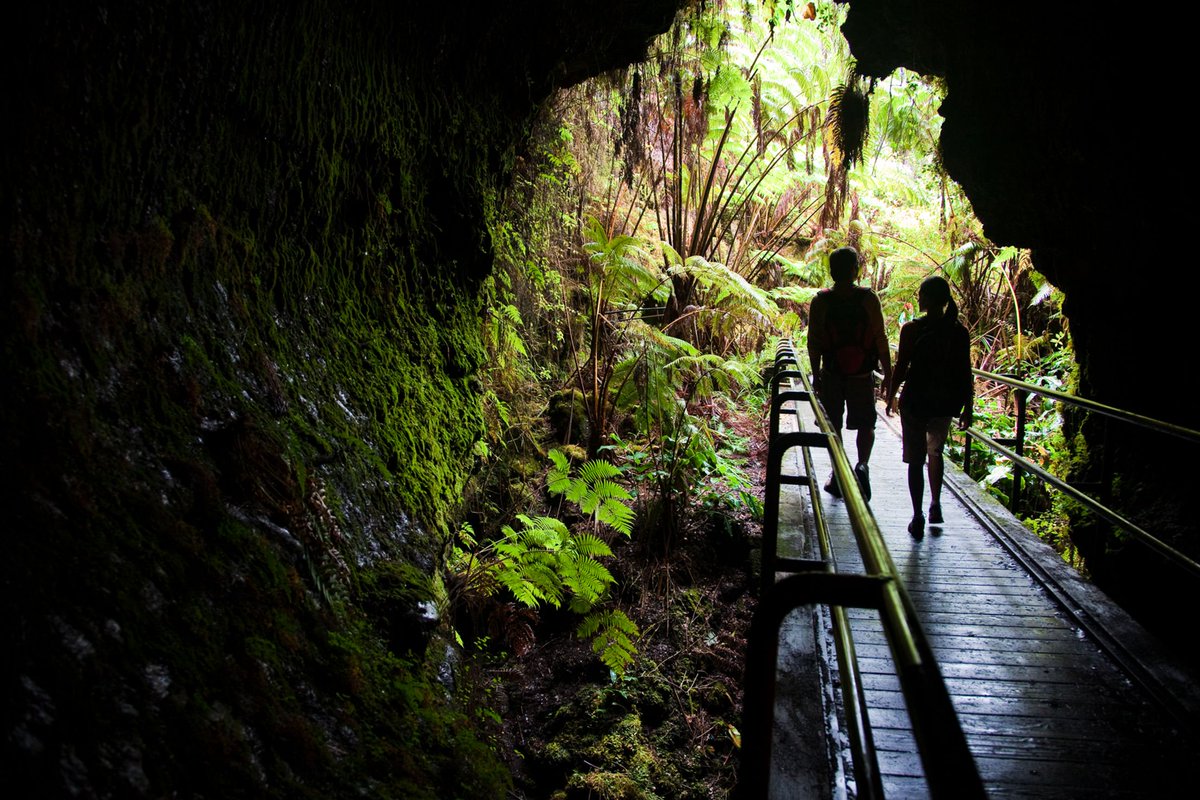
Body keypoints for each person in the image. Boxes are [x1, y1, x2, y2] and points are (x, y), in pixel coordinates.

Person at [884, 275, 974, 537]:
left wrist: (891, 395)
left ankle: (917, 514)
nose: (918, 297)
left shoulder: (911, 329)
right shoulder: (959, 331)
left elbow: (902, 367)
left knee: (915, 459)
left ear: (928, 298)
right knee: (936, 451)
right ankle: (935, 505)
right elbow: (964, 372)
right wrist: (968, 407)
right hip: (945, 402)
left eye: (921, 293)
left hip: (915, 400)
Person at [807, 246, 892, 501]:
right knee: (866, 424)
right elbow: (880, 337)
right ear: (856, 270)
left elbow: (814, 340)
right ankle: (862, 465)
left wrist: (815, 374)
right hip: (862, 374)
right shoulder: (868, 298)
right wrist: (888, 372)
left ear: (832, 271)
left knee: (832, 425)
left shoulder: (821, 300)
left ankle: (838, 473)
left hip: (833, 373)